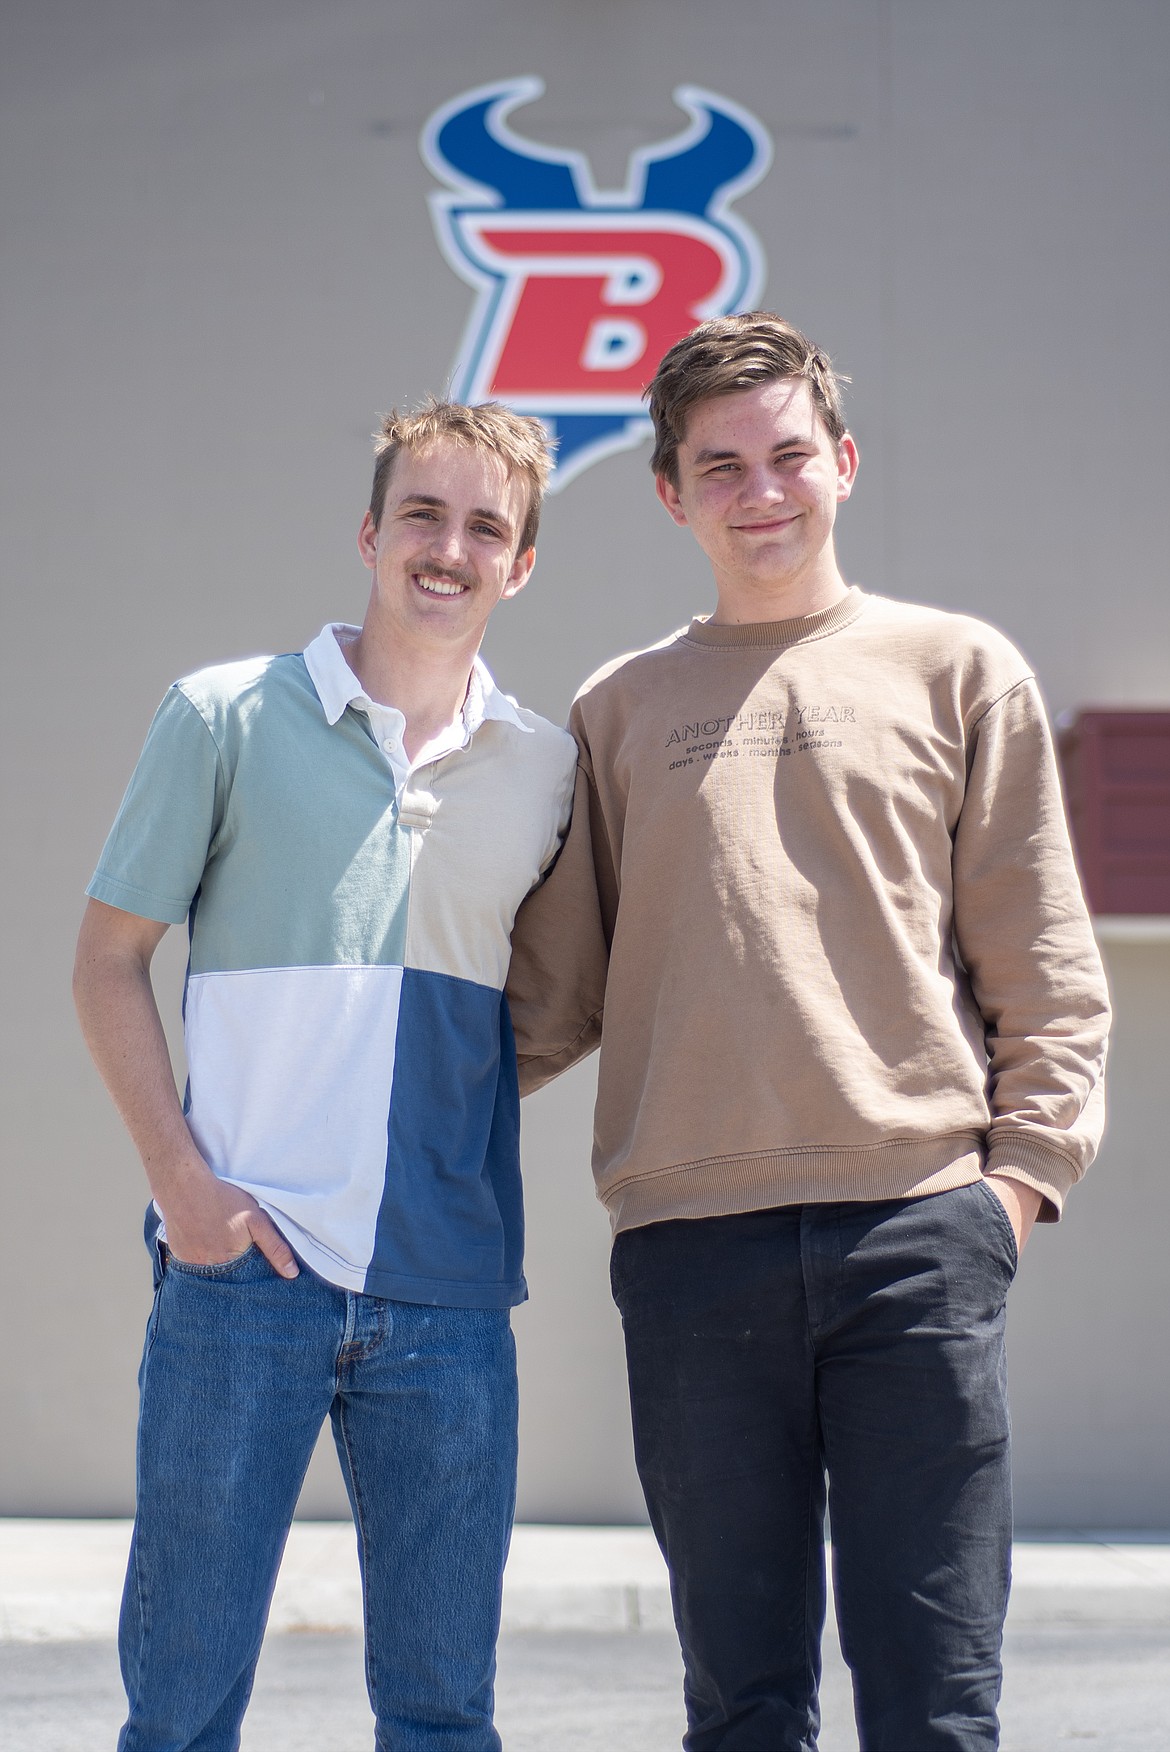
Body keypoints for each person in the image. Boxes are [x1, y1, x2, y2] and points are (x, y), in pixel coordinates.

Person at [505, 314, 1110, 1752]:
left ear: (841, 462)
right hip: (689, 1250)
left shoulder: (954, 668)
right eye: (718, 466)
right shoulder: (620, 707)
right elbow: (549, 993)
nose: (757, 488)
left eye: (786, 454)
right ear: (669, 493)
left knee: (935, 1705)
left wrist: (1012, 1188)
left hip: (912, 1233)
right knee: (742, 1706)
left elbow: (1042, 958)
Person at [73, 399, 576, 1752]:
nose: (448, 547)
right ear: (368, 530)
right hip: (243, 1280)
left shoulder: (543, 769)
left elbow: (558, 999)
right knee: (178, 1709)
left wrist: (442, 1110)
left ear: (518, 565)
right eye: (422, 512)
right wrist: (187, 1191)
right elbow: (105, 964)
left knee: (440, 1713)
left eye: (486, 526)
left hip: (448, 1298)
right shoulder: (224, 714)